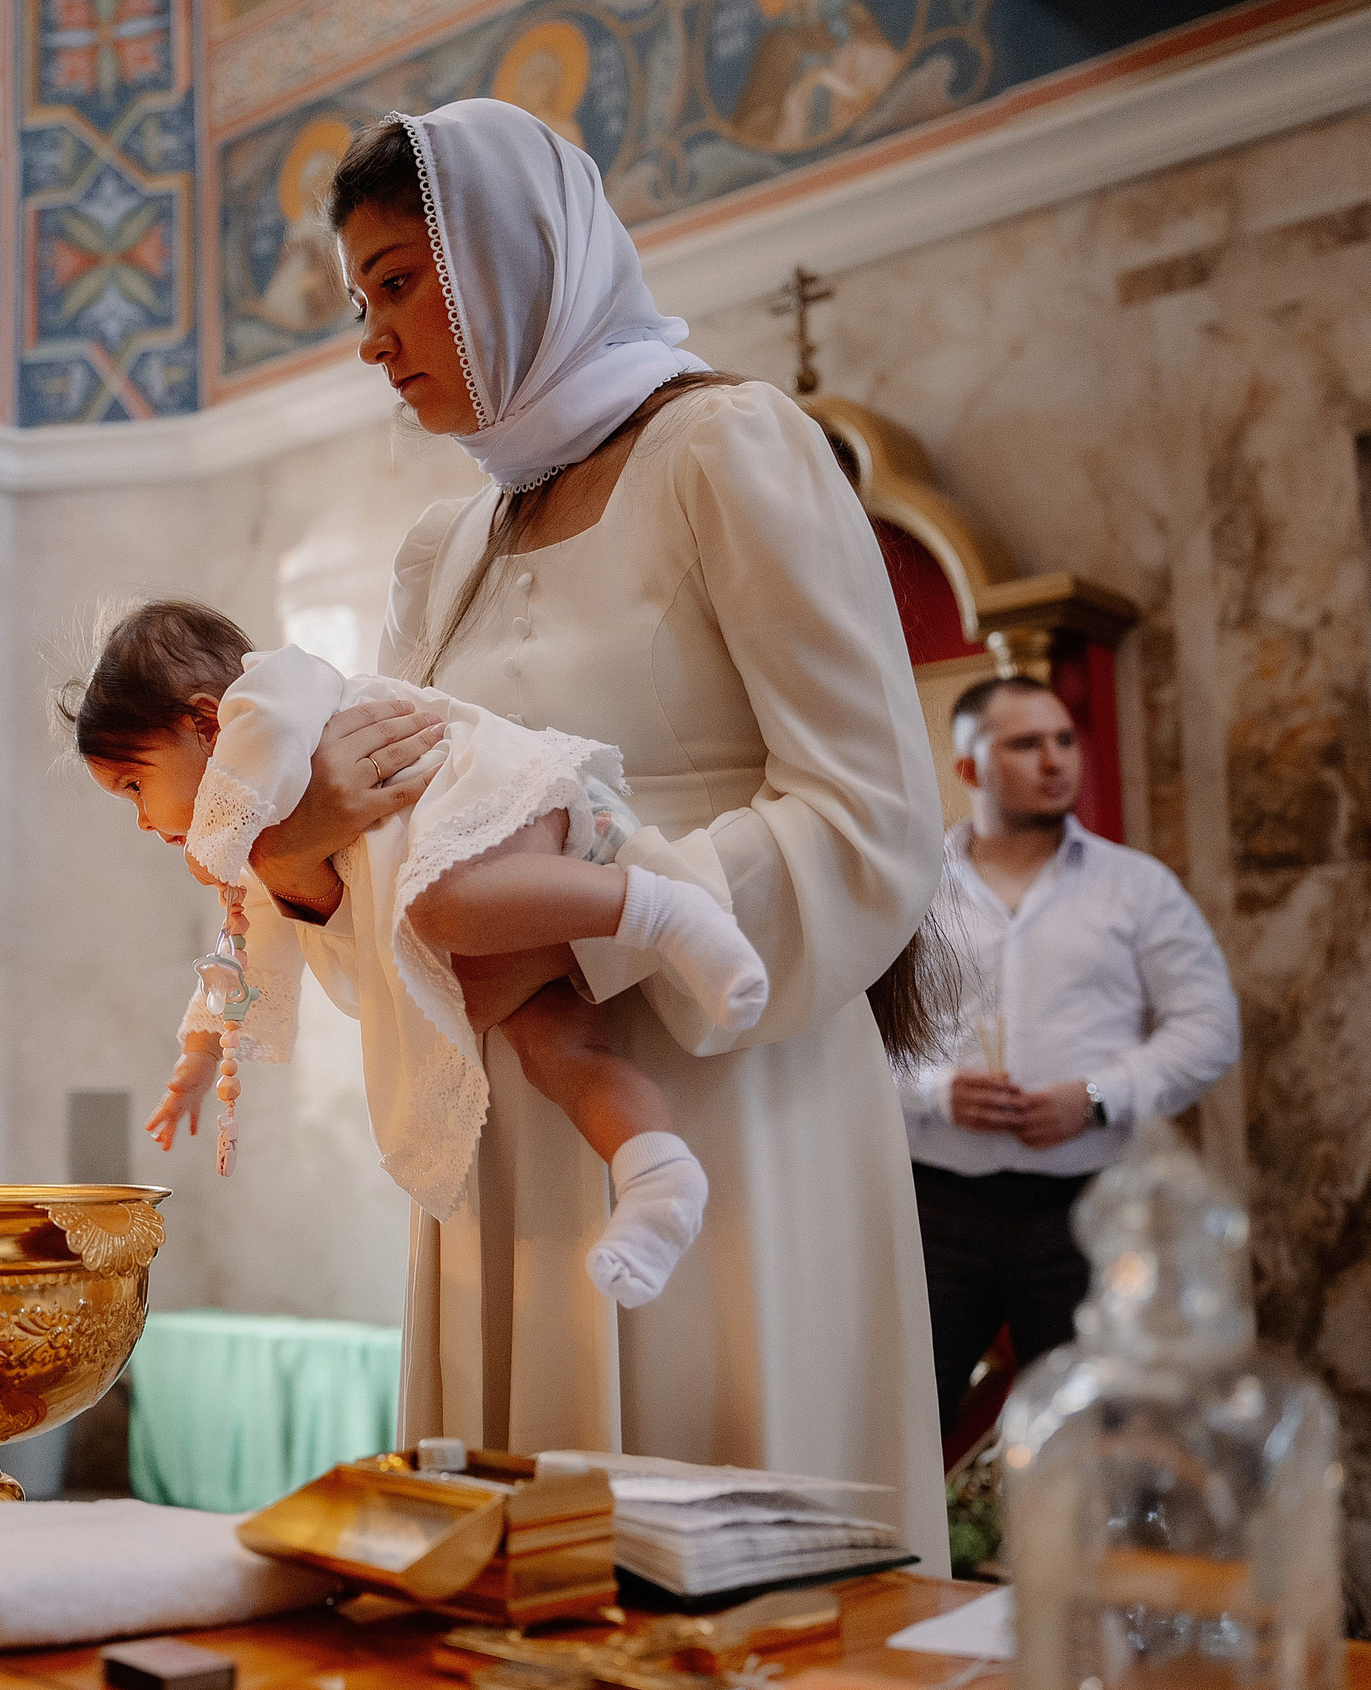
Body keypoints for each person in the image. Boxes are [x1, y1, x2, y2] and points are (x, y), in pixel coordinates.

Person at [234, 100, 950, 1565]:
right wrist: (305, 864)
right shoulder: (444, 550)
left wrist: (580, 927)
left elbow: (871, 821)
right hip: (505, 1126)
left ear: (514, 258)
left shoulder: (728, 447)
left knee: (714, 1567)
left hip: (720, 1102)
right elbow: (406, 845)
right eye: (359, 297)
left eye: (394, 283)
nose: (371, 338)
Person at [66, 599, 767, 1307]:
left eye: (135, 785)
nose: (144, 819)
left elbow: (273, 737)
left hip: (505, 808)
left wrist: (219, 838)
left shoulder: (270, 693)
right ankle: (656, 1172)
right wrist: (200, 1051)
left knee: (439, 905)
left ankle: (663, 907)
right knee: (553, 1047)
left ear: (206, 722)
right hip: (514, 889)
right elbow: (242, 947)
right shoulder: (258, 833)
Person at [900, 674, 1239, 1425]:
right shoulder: (914, 890)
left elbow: (1211, 1026)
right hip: (936, 1207)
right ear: (969, 768)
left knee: (1104, 1439)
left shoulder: (1137, 887)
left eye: (1063, 739)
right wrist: (934, 1090)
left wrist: (1095, 1097)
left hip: (1088, 1208)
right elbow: (853, 1034)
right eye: (1025, 742)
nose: (1055, 759)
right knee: (903, 1427)